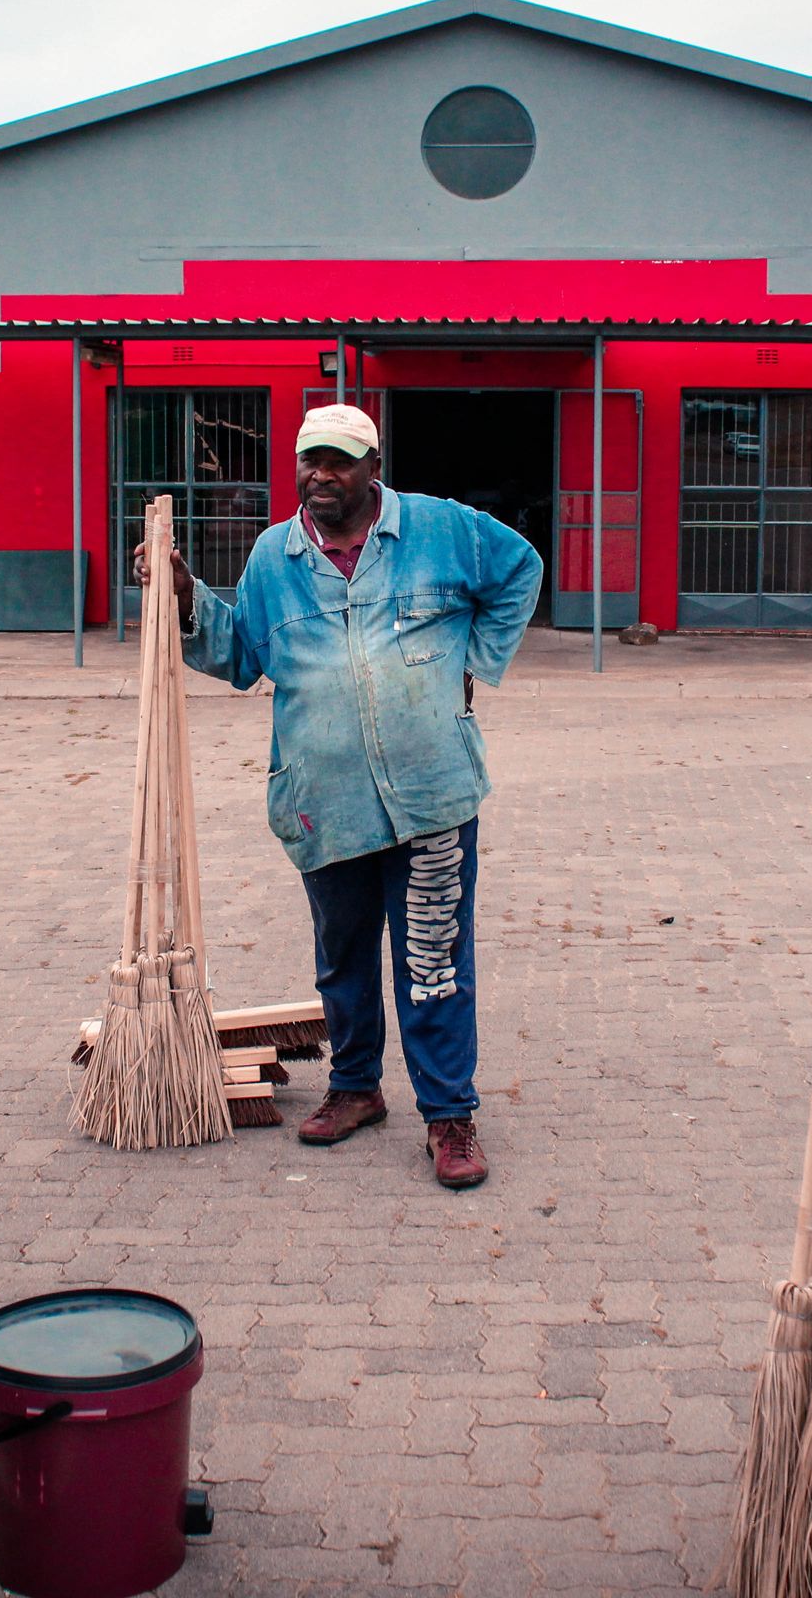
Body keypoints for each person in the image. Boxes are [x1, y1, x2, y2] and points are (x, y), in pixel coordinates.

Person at [140, 403, 542, 1189]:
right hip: (324, 800)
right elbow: (239, 655)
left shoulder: (442, 529)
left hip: (431, 794)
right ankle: (356, 1087)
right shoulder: (273, 558)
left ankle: (449, 1116)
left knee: (432, 960)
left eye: (339, 461)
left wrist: (478, 661)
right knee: (344, 960)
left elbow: (520, 569)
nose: (321, 475)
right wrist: (185, 597)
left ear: (373, 466)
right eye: (309, 461)